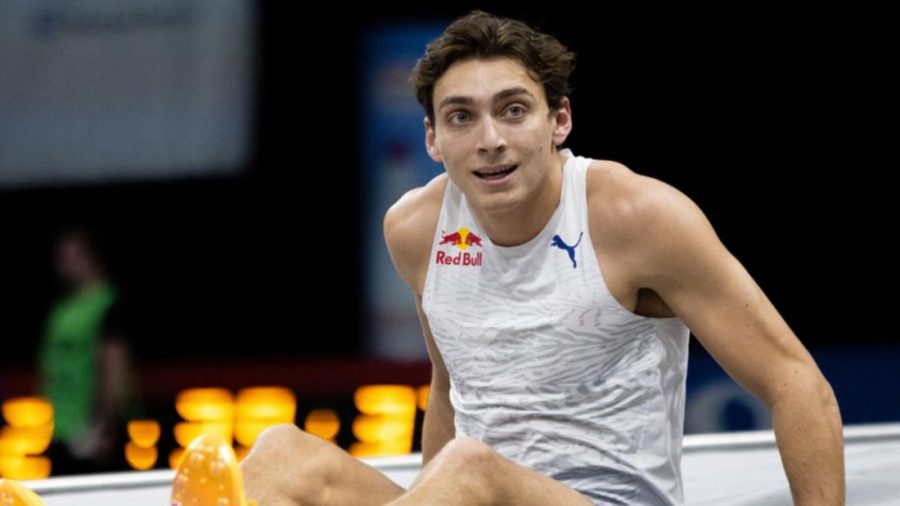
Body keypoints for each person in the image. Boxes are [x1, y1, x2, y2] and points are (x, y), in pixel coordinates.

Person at [239, 10, 844, 505]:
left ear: (559, 120)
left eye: (513, 110)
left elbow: (795, 382)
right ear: (432, 139)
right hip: (469, 492)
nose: (490, 139)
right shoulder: (415, 229)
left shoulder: (639, 217)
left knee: (472, 468)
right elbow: (449, 390)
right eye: (461, 117)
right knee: (278, 455)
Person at [38, 227, 139, 473]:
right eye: (61, 259)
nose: (65, 266)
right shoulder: (62, 309)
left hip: (94, 435)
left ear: (94, 258)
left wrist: (103, 426)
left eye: (73, 257)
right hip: (60, 429)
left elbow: (114, 368)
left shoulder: (108, 306)